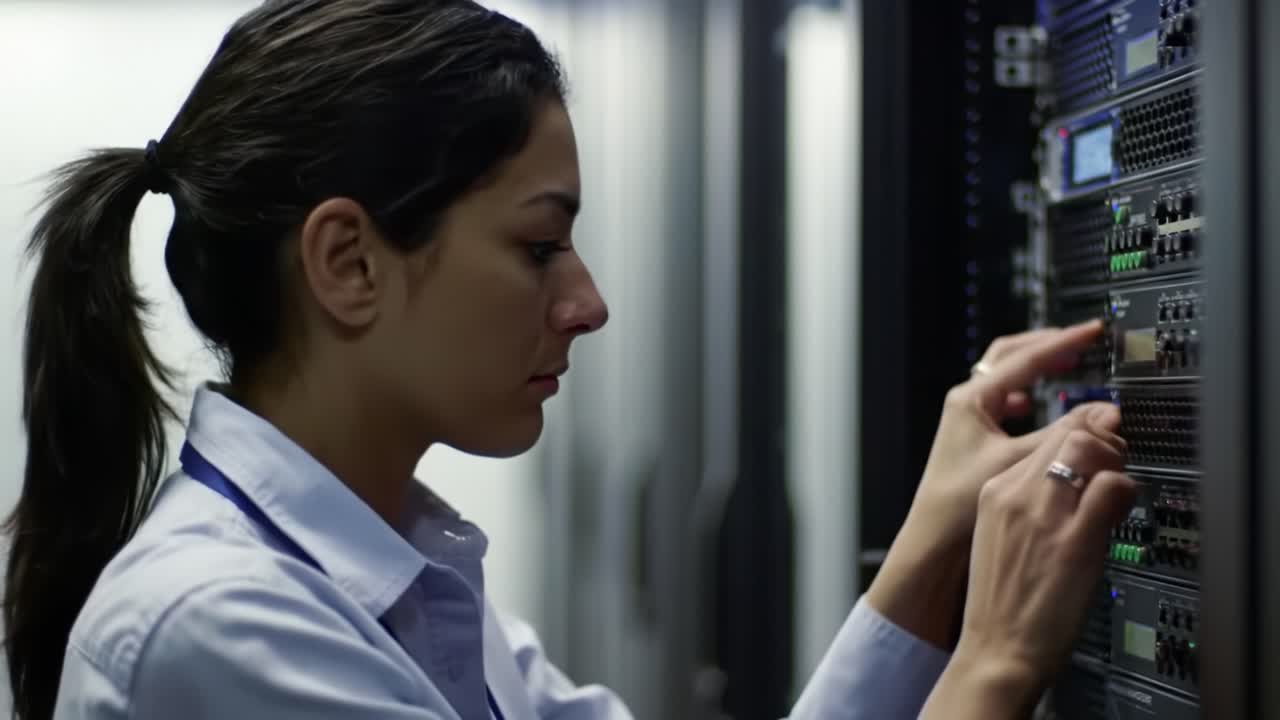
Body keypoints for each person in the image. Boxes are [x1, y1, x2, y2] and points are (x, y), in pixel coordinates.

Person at [4, 2, 1135, 719]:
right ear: (348, 261)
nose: (586, 304)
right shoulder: (224, 626)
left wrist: (926, 560)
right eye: (538, 246)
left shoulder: (397, 571)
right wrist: (988, 666)